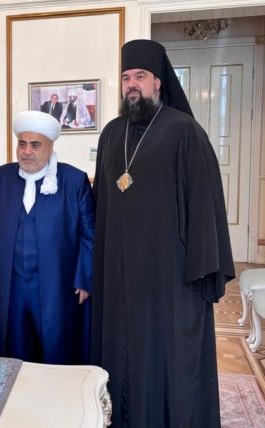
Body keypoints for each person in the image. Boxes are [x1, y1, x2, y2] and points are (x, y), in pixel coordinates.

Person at [91, 39, 235, 427]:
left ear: (157, 82)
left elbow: (204, 204)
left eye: (140, 76)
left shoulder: (184, 131)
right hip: (119, 278)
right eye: (126, 77)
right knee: (121, 353)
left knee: (165, 357)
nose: (132, 85)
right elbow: (100, 207)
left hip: (168, 279)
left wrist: (201, 272)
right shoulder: (111, 134)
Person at [0, 110, 94, 364]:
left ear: (50, 146)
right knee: (16, 352)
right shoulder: (0, 178)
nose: (26, 152)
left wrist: (85, 278)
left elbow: (89, 234)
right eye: (22, 144)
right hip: (14, 285)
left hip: (59, 285)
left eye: (35, 145)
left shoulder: (74, 181)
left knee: (57, 348)